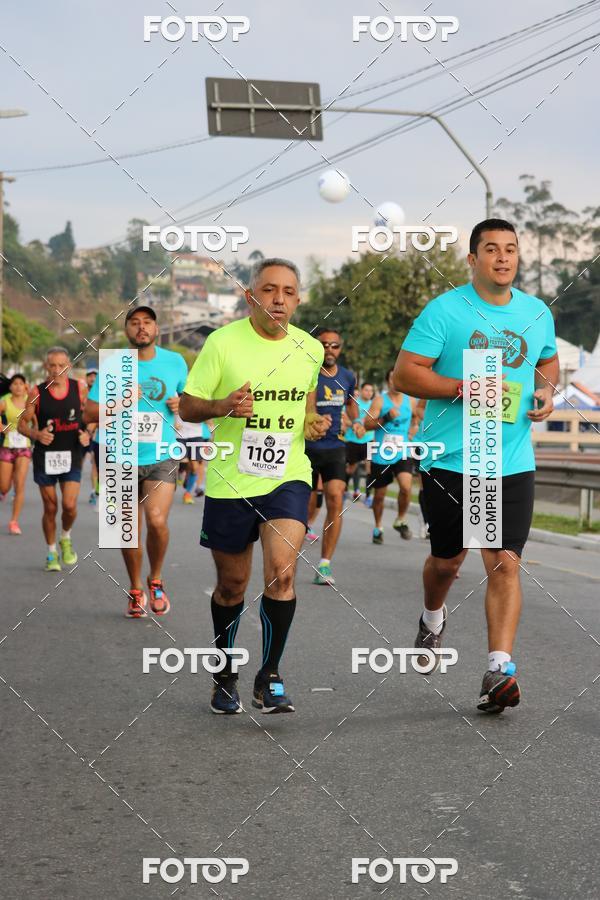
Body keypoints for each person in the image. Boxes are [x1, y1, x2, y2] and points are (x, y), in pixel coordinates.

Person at [394, 218, 558, 713]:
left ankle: (498, 668)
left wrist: (547, 390)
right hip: (452, 460)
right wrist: (464, 388)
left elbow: (546, 361)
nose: (503, 258)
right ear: (472, 259)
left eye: (511, 249)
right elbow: (405, 374)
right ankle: (431, 616)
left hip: (509, 460)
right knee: (447, 562)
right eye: (492, 249)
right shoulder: (446, 311)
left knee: (504, 562)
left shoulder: (536, 312)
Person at [179, 257, 330, 715]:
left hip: (287, 475)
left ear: (298, 300)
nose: (278, 299)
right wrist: (224, 404)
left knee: (282, 572)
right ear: (250, 296)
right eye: (268, 290)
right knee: (232, 586)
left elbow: (303, 403)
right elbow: (187, 407)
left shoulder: (310, 349)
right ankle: (224, 675)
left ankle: (270, 676)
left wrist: (311, 422)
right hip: (229, 478)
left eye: (287, 291)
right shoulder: (222, 344)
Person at [84, 306, 188, 617]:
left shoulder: (176, 362)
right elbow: (89, 413)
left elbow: (193, 402)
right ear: (127, 331)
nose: (141, 327)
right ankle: (134, 588)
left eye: (147, 322)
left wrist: (181, 403)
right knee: (127, 528)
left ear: (156, 328)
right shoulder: (114, 365)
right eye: (134, 323)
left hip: (162, 454)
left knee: (156, 520)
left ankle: (155, 579)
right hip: (120, 454)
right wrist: (120, 403)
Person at [18, 347, 90, 570]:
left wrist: (88, 432)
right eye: (52, 366)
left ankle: (65, 537)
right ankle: (51, 553)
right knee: (50, 508)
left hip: (72, 453)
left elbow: (90, 416)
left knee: (69, 505)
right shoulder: (37, 392)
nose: (57, 370)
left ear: (68, 366)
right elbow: (21, 424)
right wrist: (36, 434)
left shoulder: (79, 388)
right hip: (45, 456)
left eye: (61, 365)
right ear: (46, 367)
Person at [305, 329, 359, 586]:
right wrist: (314, 419)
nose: (329, 350)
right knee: (305, 504)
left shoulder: (348, 376)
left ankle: (324, 565)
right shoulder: (309, 373)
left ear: (340, 348)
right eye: (324, 345)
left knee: (336, 498)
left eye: (334, 345)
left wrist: (355, 420)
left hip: (335, 446)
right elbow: (308, 404)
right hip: (306, 446)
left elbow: (351, 405)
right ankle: (288, 553)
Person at [357, 369, 417, 544]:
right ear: (388, 381)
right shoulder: (380, 400)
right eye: (392, 378)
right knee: (380, 496)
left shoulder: (411, 400)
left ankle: (400, 519)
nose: (395, 381)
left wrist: (413, 428)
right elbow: (367, 425)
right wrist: (385, 418)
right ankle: (378, 527)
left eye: (399, 377)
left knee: (406, 487)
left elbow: (415, 419)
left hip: (403, 451)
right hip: (381, 454)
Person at [0, 374, 32, 534]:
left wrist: (36, 433)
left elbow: (38, 419)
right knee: (4, 486)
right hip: (8, 446)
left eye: (21, 383)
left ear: (26, 386)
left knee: (20, 484)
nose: (18, 386)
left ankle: (14, 521)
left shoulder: (30, 401)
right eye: (15, 383)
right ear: (11, 387)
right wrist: (4, 428)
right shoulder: (5, 401)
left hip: (24, 447)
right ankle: (4, 490)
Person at [344, 382, 374, 500]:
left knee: (369, 467)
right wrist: (356, 425)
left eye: (371, 391)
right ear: (361, 391)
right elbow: (345, 419)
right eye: (366, 390)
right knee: (351, 468)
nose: (369, 393)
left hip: (369, 440)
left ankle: (368, 495)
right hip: (353, 440)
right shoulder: (354, 403)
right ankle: (344, 488)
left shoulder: (374, 405)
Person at [177, 416, 212, 504]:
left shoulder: (202, 401)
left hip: (196, 435)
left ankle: (188, 493)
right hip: (180, 434)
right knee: (183, 461)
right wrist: (171, 424)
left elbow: (209, 419)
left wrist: (209, 419)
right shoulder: (175, 401)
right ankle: (181, 472)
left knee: (195, 467)